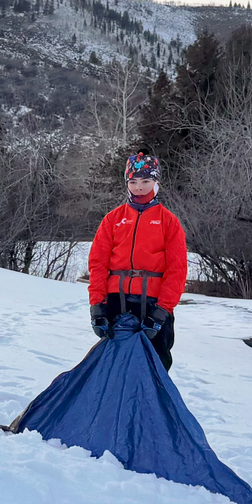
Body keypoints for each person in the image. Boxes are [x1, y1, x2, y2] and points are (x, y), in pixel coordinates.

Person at [88, 152, 187, 370]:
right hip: (116, 302)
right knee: (112, 365)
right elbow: (98, 263)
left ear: (156, 182)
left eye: (145, 181)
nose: (139, 187)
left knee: (155, 365)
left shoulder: (169, 222)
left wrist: (162, 312)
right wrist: (97, 306)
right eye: (133, 182)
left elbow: (177, 270)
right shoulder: (113, 219)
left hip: (153, 304)